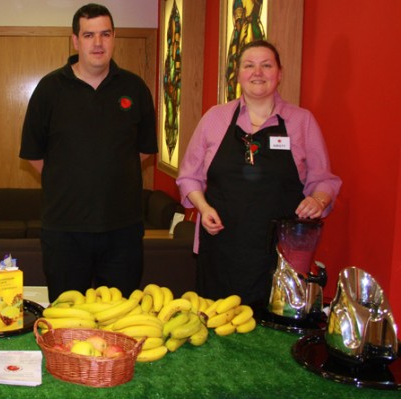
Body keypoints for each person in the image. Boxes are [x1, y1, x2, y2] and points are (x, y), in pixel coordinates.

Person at [176, 40, 341, 310]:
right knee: (216, 331)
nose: (258, 72)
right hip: (219, 250)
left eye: (266, 65)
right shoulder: (214, 118)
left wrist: (318, 201)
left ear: (280, 73)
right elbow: (189, 176)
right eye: (249, 66)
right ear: (238, 74)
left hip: (280, 257)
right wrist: (203, 208)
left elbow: (324, 180)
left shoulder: (302, 121)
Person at [19, 3, 158, 302]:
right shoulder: (49, 89)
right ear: (75, 40)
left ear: (114, 37)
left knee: (121, 319)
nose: (98, 43)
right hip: (64, 230)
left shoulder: (135, 88)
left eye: (105, 34)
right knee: (68, 320)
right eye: (89, 35)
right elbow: (34, 154)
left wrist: (108, 173)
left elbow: (144, 151)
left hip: (123, 230)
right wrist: (70, 177)